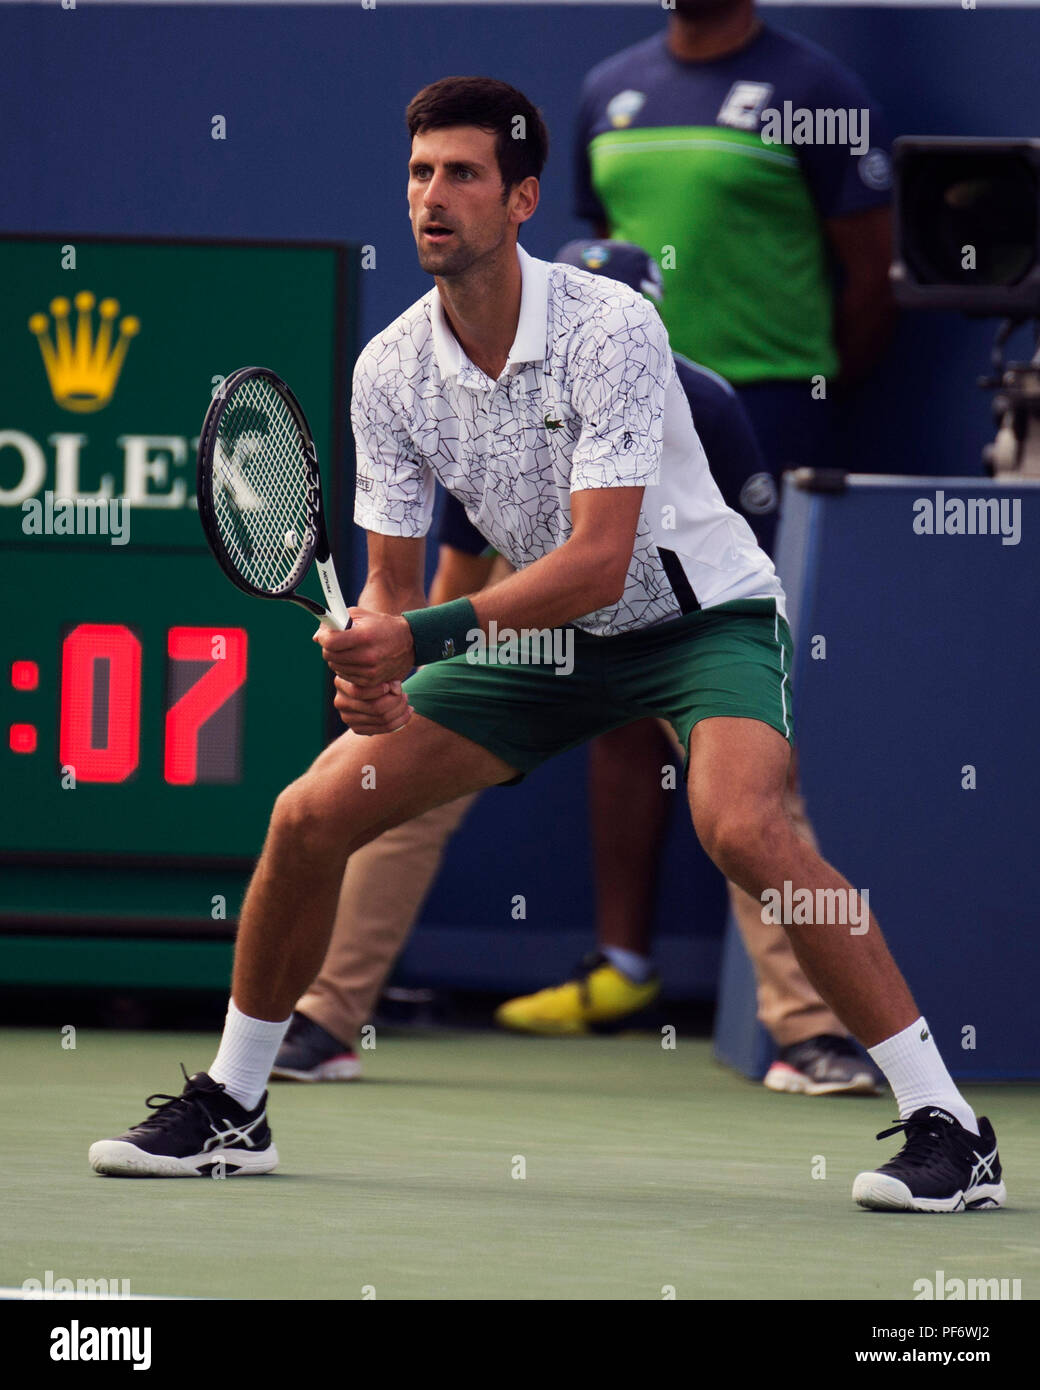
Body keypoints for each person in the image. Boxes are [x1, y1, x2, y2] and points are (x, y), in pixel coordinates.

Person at [89, 77, 1004, 1214]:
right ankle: (233, 1105)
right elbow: (389, 580)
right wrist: (383, 674)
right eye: (420, 173)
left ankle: (946, 1127)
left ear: (520, 198)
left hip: (696, 619)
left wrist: (414, 635)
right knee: (308, 813)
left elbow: (598, 562)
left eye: (463, 175)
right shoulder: (390, 369)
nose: (434, 197)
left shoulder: (610, 327)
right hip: (542, 645)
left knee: (742, 825)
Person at [275, 242, 882, 1099]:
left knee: (755, 811)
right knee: (387, 772)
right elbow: (450, 583)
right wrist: (406, 673)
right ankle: (324, 1017)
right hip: (525, 602)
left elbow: (741, 554)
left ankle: (811, 1033)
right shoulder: (472, 394)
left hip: (683, 611)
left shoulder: (703, 402)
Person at [574, 0, 896, 551]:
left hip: (771, 410)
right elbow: (611, 257)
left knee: (763, 612)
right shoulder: (607, 87)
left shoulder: (816, 90)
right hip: (632, 404)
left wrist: (805, 390)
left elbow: (875, 274)